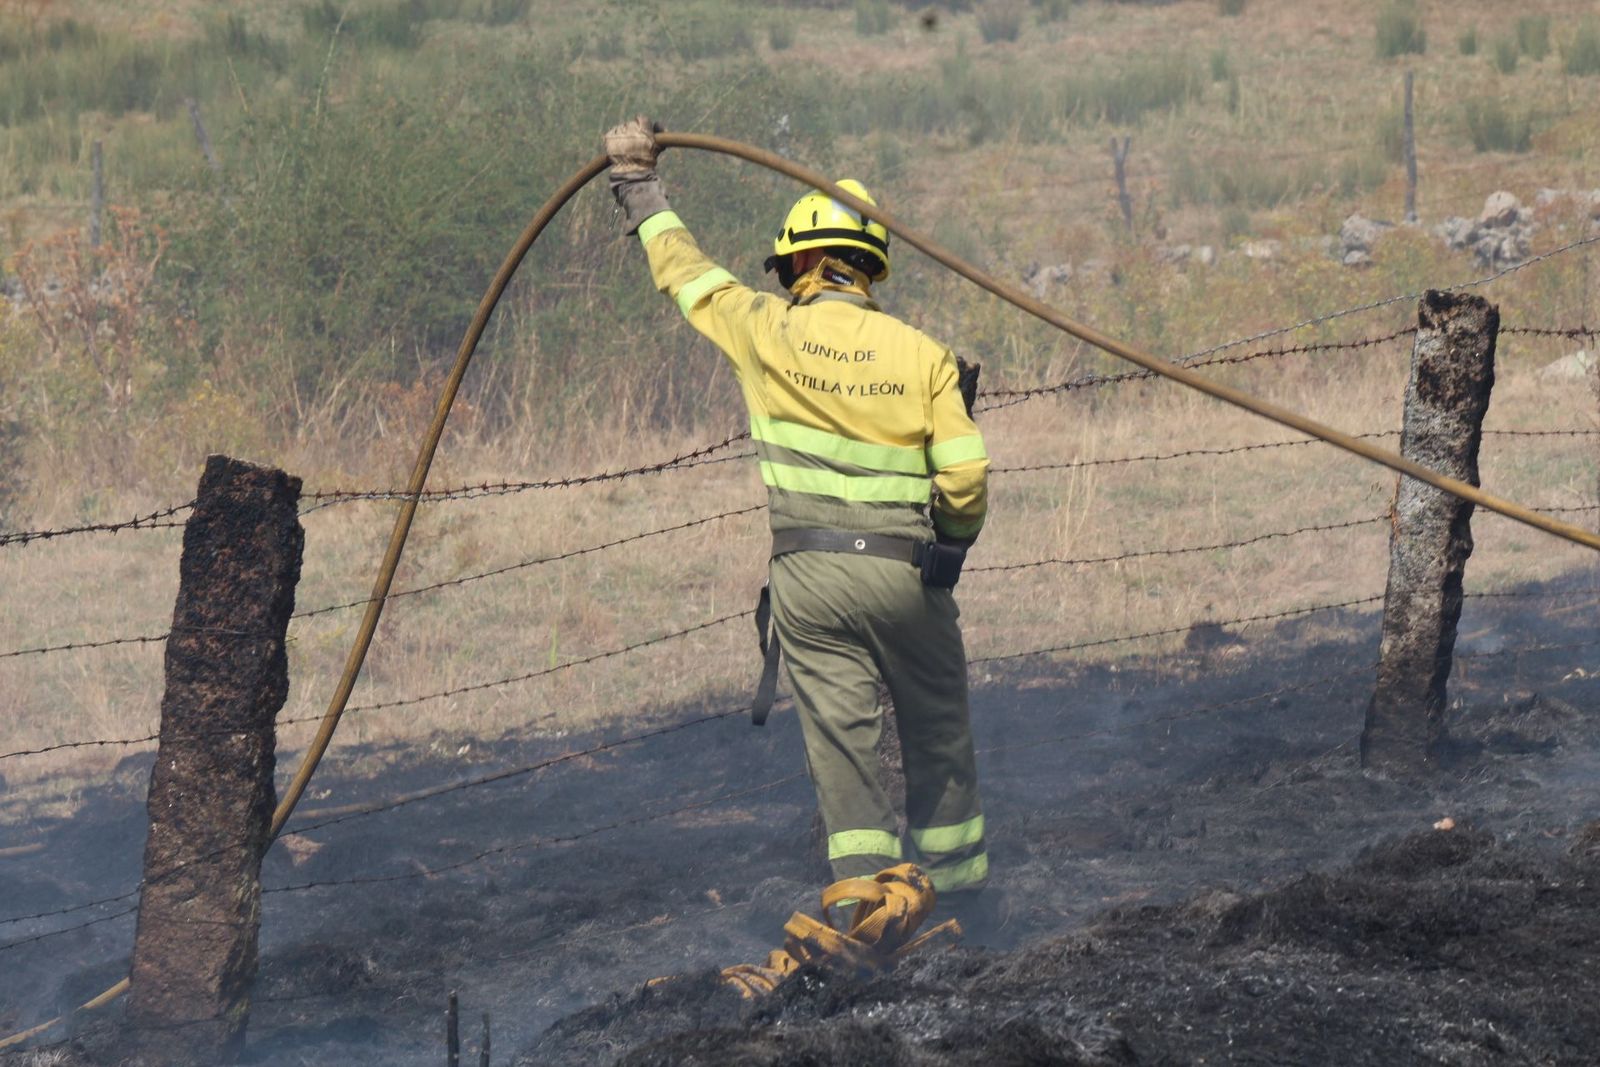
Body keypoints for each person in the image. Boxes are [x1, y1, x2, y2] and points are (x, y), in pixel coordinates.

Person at [603, 117, 990, 896]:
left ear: (805, 261)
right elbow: (967, 476)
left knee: (846, 756)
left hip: (809, 582)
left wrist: (638, 184)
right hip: (906, 576)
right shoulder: (924, 355)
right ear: (870, 268)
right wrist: (948, 547)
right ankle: (964, 908)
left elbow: (686, 273)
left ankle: (873, 919)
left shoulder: (764, 328)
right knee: (939, 735)